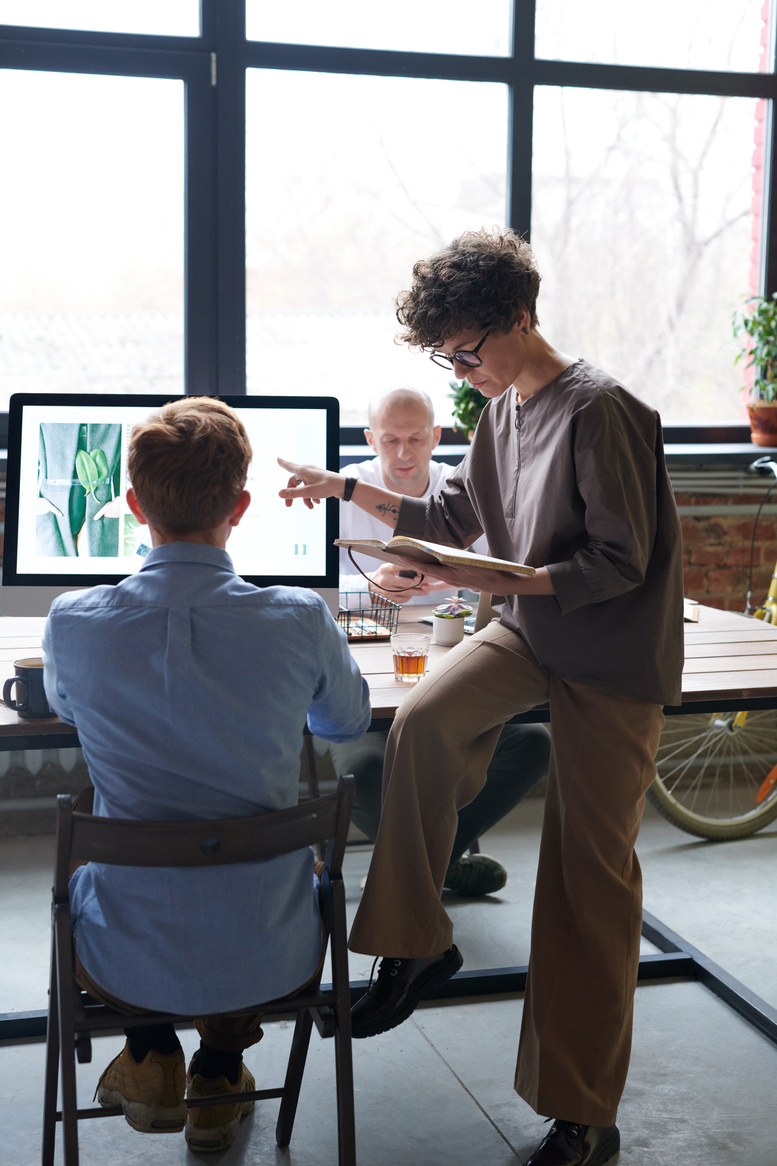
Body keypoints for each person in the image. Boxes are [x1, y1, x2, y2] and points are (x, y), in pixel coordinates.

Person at [279, 227, 683, 1166]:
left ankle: (582, 1113)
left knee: (586, 882)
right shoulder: (498, 413)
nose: (462, 370)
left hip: (609, 656)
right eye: (445, 356)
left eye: (469, 349)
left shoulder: (603, 409)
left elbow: (618, 563)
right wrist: (347, 487)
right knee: (420, 722)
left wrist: (506, 575)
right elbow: (454, 517)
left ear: (521, 316)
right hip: (529, 629)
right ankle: (416, 943)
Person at [43, 397, 370, 1154]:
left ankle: (152, 1051)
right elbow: (343, 724)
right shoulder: (296, 617)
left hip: (119, 958)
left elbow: (64, 705)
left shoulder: (72, 620)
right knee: (243, 862)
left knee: (109, 846)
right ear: (242, 507)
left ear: (132, 506)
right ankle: (219, 1072)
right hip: (275, 951)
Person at [334, 385, 550, 896]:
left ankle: (422, 863)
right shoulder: (348, 491)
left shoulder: (463, 491)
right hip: (366, 670)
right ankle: (437, 865)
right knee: (366, 767)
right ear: (371, 439)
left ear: (436, 436)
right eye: (390, 441)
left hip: (452, 662)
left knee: (534, 745)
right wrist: (373, 586)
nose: (404, 454)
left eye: (416, 439)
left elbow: (498, 578)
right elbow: (312, 596)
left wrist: (458, 580)